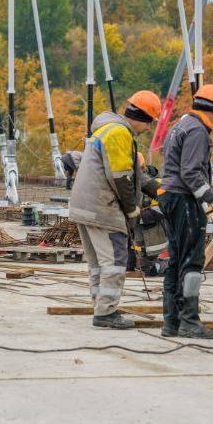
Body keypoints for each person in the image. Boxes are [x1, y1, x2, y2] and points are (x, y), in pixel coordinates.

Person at [68, 90, 161, 329]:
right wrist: (132, 210)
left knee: (98, 263)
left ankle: (100, 305)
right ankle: (106, 312)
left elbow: (135, 173)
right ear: (141, 117)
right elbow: (120, 177)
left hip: (84, 205)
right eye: (149, 122)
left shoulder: (106, 129)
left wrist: (159, 190)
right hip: (102, 206)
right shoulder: (120, 133)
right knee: (116, 259)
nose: (149, 128)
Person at [160, 83, 213, 339]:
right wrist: (211, 198)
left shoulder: (180, 125)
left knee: (176, 260)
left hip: (171, 196)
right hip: (183, 199)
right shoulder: (198, 130)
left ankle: (171, 322)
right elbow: (190, 172)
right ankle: (189, 320)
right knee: (192, 262)